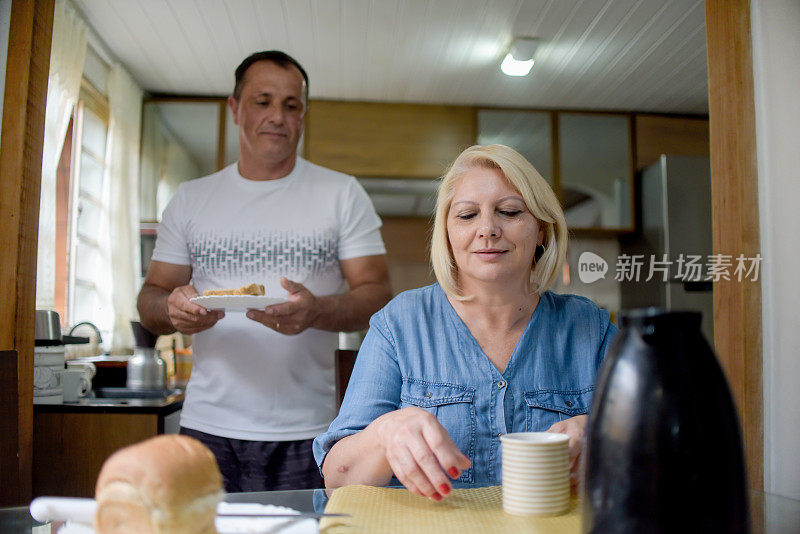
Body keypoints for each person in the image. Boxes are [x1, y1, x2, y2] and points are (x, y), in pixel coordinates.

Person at [137, 51, 392, 492]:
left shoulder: (341, 194)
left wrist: (317, 311)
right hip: (208, 429)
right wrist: (173, 308)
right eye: (263, 101)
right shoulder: (191, 199)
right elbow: (150, 300)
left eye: (291, 105)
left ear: (303, 116)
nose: (277, 116)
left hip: (311, 431)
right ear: (235, 108)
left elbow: (378, 295)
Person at [313, 144, 617, 500]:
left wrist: (601, 437)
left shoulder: (591, 328)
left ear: (542, 231)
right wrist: (384, 434)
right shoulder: (399, 324)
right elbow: (336, 478)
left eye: (509, 211)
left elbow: (658, 449)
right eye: (467, 215)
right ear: (447, 233)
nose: (487, 229)